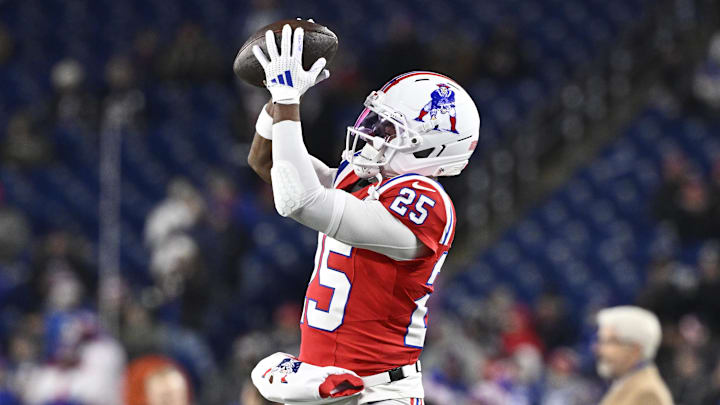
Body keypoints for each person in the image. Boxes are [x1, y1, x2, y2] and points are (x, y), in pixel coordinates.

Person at [246, 24, 480, 405]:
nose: (371, 131)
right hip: (322, 384)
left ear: (431, 149)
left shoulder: (426, 201)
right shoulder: (362, 176)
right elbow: (267, 161)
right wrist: (277, 101)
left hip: (379, 392)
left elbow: (300, 201)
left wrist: (290, 99)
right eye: (375, 119)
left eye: (389, 128)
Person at [594, 306, 674, 405]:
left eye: (609, 342)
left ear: (635, 350)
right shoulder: (628, 385)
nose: (598, 349)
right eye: (601, 341)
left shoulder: (647, 394)